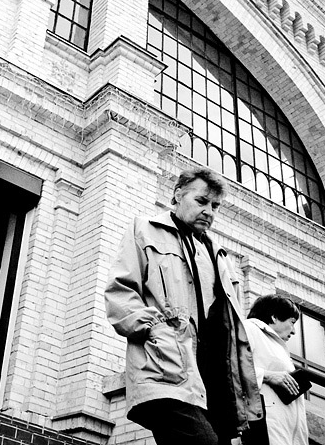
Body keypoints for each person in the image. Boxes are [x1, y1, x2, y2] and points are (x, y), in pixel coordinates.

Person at [104, 167, 261, 445]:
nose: (209, 212)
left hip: (215, 384)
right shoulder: (144, 230)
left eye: (215, 206)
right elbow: (120, 292)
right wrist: (156, 331)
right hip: (165, 370)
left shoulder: (220, 256)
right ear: (178, 195)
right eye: (201, 201)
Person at [242, 295, 308, 445]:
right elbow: (230, 367)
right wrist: (267, 376)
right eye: (292, 322)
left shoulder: (277, 346)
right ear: (274, 317)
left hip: (285, 432)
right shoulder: (249, 329)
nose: (294, 331)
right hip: (265, 428)